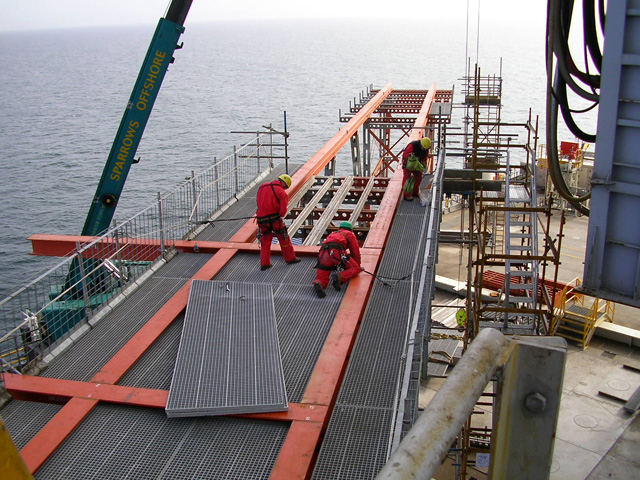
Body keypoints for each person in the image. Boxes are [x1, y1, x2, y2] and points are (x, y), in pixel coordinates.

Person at [256, 174, 300, 270]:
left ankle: (265, 264)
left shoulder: (262, 186)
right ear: (285, 185)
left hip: (261, 219)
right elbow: (282, 212)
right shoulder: (282, 193)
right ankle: (290, 258)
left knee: (265, 240)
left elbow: (259, 201)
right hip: (274, 220)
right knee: (283, 238)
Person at [312, 221, 363, 298]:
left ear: (340, 228)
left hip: (323, 254)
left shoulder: (333, 233)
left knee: (323, 274)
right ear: (351, 229)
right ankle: (340, 277)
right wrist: (358, 267)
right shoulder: (350, 234)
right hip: (337, 252)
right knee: (354, 268)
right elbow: (355, 252)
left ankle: (318, 283)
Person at [401, 136, 431, 201]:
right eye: (423, 148)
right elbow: (405, 155)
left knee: (418, 177)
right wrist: (411, 157)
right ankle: (406, 195)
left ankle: (415, 192)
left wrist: (423, 164)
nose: (423, 149)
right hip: (408, 164)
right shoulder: (412, 146)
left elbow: (424, 157)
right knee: (407, 179)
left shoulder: (426, 149)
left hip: (417, 164)